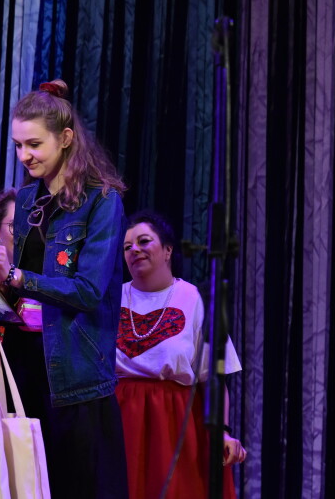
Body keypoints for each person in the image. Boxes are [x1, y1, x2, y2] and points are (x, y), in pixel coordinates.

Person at [0, 79, 129, 498]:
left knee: (78, 486)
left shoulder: (102, 200)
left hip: (75, 368)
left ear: (65, 138)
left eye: (34, 144)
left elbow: (88, 290)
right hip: (24, 359)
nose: (24, 155)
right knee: (26, 487)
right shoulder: (27, 199)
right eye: (18, 145)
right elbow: (20, 284)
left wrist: (16, 276)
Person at [115, 211, 246, 499]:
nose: (134, 249)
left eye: (144, 241)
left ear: (168, 250)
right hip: (121, 418)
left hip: (175, 422)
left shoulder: (194, 299)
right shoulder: (112, 298)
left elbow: (213, 379)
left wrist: (222, 431)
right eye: (127, 247)